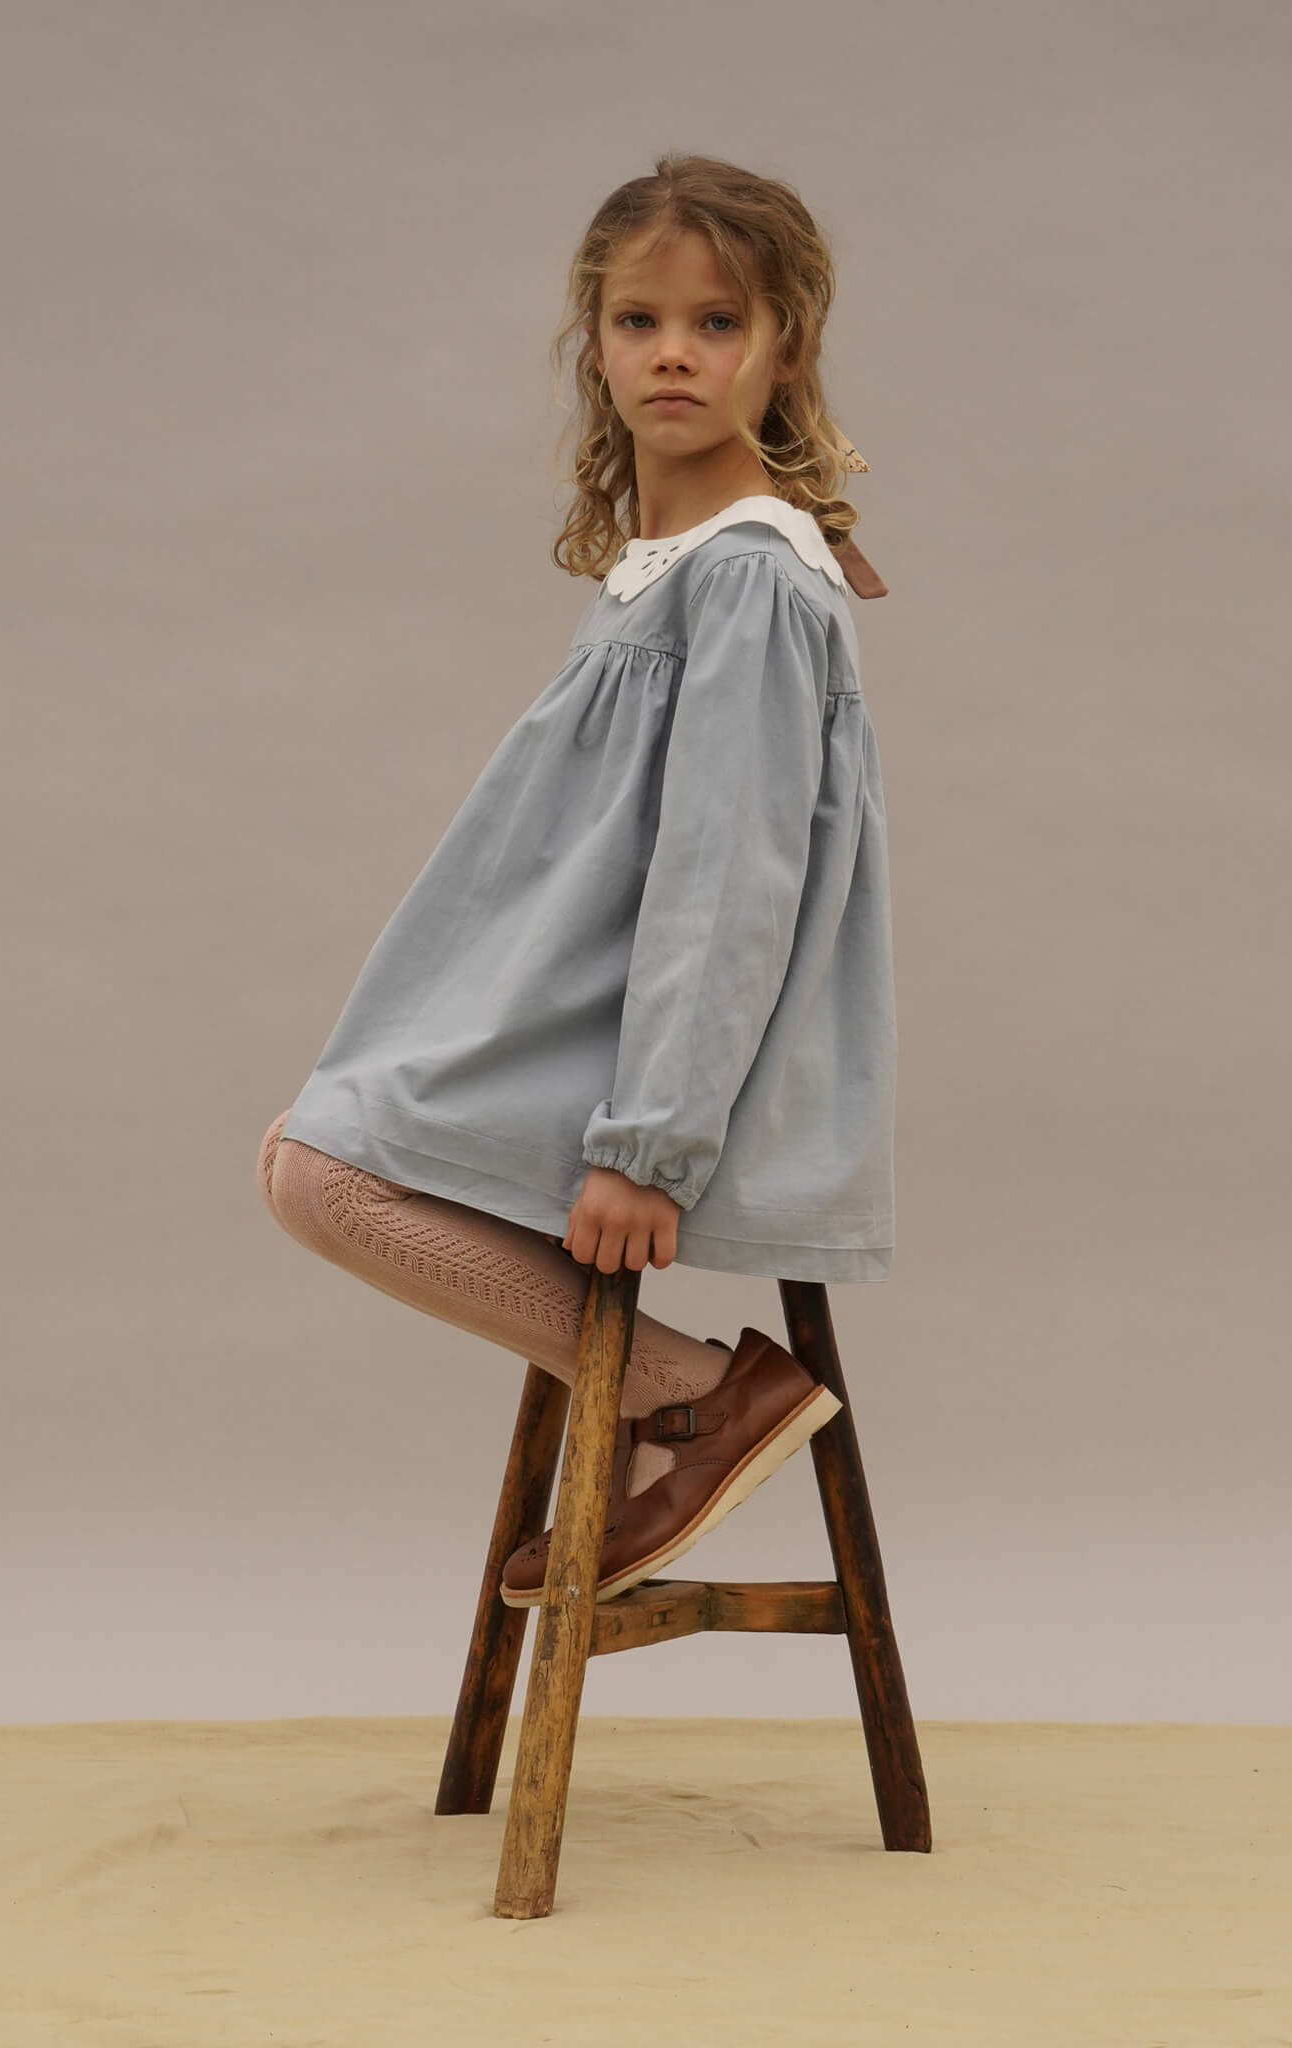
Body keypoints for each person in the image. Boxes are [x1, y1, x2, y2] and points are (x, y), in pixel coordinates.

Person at [261, 151, 896, 1607]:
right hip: (579, 1019)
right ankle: (663, 1407)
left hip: (645, 1060)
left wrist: (650, 1143)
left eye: (719, 323)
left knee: (321, 1171)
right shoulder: (670, 566)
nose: (674, 353)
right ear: (595, 344)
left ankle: (697, 1399)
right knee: (305, 1153)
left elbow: (728, 880)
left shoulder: (746, 575)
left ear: (786, 350)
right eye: (638, 321)